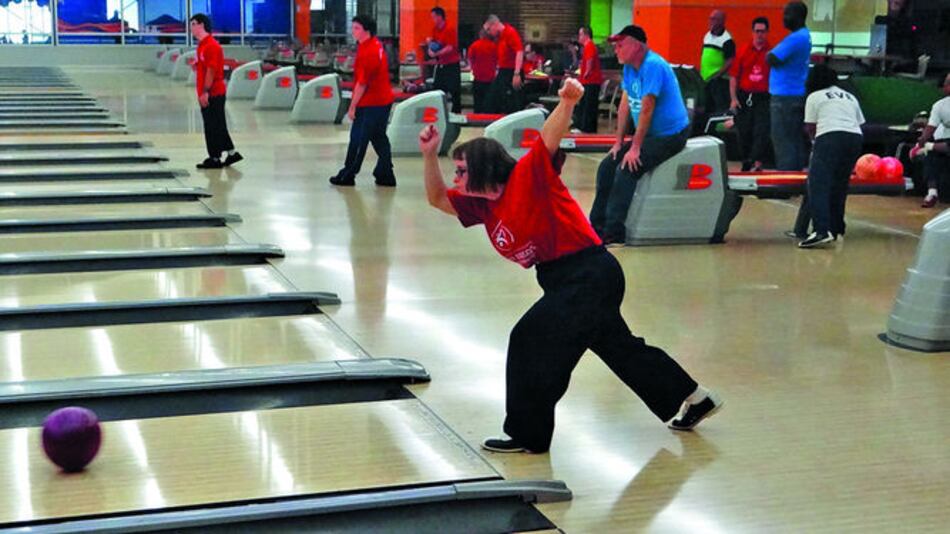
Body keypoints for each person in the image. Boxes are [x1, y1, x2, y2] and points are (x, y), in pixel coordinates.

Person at [418, 77, 722, 454]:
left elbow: (546, 139)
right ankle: (695, 397)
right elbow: (435, 198)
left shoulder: (528, 178)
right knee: (620, 349)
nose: (457, 179)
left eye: (462, 171)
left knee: (530, 340)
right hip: (563, 280)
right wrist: (430, 155)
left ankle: (528, 434)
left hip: (589, 273)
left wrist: (567, 102)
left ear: (482, 169)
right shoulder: (482, 205)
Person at [589, 25, 691, 246]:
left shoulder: (653, 65)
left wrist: (635, 148)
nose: (616, 50)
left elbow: (647, 108)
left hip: (671, 135)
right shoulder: (629, 67)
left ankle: (614, 233)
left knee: (627, 169)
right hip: (650, 135)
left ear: (636, 45)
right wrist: (618, 143)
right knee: (607, 166)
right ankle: (595, 227)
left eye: (620, 44)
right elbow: (625, 104)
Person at [798, 65, 865, 248]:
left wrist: (814, 144)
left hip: (830, 136)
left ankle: (821, 230)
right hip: (855, 138)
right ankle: (837, 228)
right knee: (839, 184)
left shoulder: (814, 96)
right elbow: (860, 122)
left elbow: (810, 126)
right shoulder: (849, 96)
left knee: (818, 184)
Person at [329, 15, 396, 187]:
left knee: (358, 138)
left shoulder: (369, 51)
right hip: (382, 100)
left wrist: (352, 107)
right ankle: (385, 173)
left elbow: (362, 83)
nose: (353, 32)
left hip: (372, 103)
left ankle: (348, 174)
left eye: (356, 28)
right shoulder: (373, 45)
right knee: (379, 137)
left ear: (367, 30)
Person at [190, 14, 242, 169]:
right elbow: (206, 65)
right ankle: (231, 153)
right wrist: (197, 65)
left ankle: (215, 157)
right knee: (217, 124)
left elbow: (212, 71)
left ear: (202, 25)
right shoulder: (202, 45)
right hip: (208, 91)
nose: (191, 28)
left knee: (212, 125)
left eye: (193, 24)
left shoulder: (211, 45)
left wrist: (205, 91)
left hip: (214, 92)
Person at [768, 1, 811, 172]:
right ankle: (796, 177)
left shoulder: (795, 38)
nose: (784, 19)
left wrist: (769, 55)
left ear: (799, 17)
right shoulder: (804, 35)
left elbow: (772, 58)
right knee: (794, 139)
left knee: (782, 139)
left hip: (785, 95)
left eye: (788, 14)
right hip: (796, 92)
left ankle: (785, 180)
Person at [729, 17, 772, 172]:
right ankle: (746, 160)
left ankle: (757, 162)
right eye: (757, 31)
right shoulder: (742, 51)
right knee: (744, 131)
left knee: (761, 131)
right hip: (744, 96)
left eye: (763, 32)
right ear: (752, 32)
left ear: (767, 33)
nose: (759, 35)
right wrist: (733, 99)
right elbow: (734, 77)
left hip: (763, 97)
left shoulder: (771, 54)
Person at [912, 72, 950, 208]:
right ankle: (932, 192)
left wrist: (923, 144)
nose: (946, 86)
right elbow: (930, 129)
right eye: (946, 83)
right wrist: (920, 144)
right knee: (931, 153)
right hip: (945, 143)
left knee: (929, 148)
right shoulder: (940, 105)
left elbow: (929, 131)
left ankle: (929, 147)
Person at [483, 14, 524, 114]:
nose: (489, 33)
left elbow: (519, 51)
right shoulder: (500, 37)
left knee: (511, 103)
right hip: (503, 71)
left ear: (494, 25)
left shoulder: (510, 32)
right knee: (492, 100)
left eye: (488, 29)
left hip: (511, 71)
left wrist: (516, 73)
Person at [427, 7, 462, 114]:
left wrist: (436, 53)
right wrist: (430, 49)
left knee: (454, 91)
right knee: (438, 90)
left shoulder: (449, 29)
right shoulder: (435, 29)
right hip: (441, 64)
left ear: (439, 17)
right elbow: (433, 43)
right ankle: (438, 112)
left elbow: (450, 47)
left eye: (433, 17)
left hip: (451, 65)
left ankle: (456, 112)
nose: (432, 19)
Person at [700, 10, 735, 116]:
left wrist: (718, 75)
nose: (710, 21)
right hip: (705, 79)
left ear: (722, 21)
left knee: (719, 109)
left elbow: (730, 60)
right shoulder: (707, 36)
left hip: (718, 81)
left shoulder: (727, 40)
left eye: (714, 19)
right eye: (710, 18)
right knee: (707, 107)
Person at [576, 25, 604, 133]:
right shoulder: (587, 46)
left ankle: (586, 128)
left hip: (591, 81)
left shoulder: (589, 46)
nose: (579, 37)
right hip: (588, 81)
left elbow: (589, 61)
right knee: (586, 104)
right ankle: (585, 127)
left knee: (588, 106)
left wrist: (586, 74)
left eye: (580, 34)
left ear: (586, 35)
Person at [467, 30, 497, 113]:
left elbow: (470, 59)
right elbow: (497, 60)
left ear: (480, 35)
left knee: (478, 102)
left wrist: (473, 68)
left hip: (478, 78)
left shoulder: (474, 45)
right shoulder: (493, 46)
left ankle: (477, 118)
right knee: (489, 102)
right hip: (490, 78)